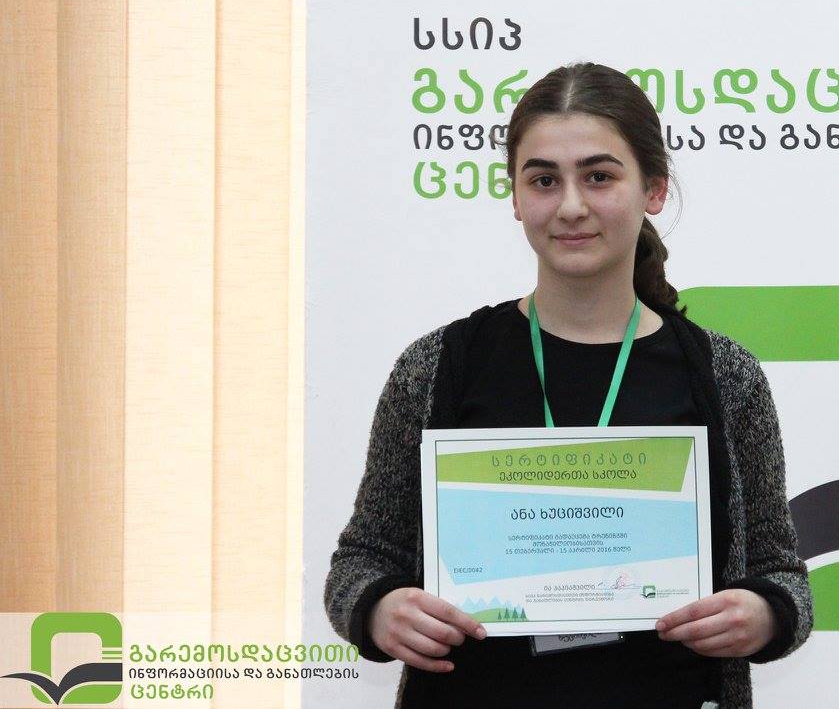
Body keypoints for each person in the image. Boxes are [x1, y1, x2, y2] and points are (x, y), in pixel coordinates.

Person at [324, 62, 812, 708]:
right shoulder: (438, 366)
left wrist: (767, 614)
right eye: (544, 180)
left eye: (599, 176)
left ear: (654, 190)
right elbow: (360, 561)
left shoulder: (726, 376)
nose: (571, 206)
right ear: (516, 197)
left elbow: (782, 574)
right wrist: (379, 609)